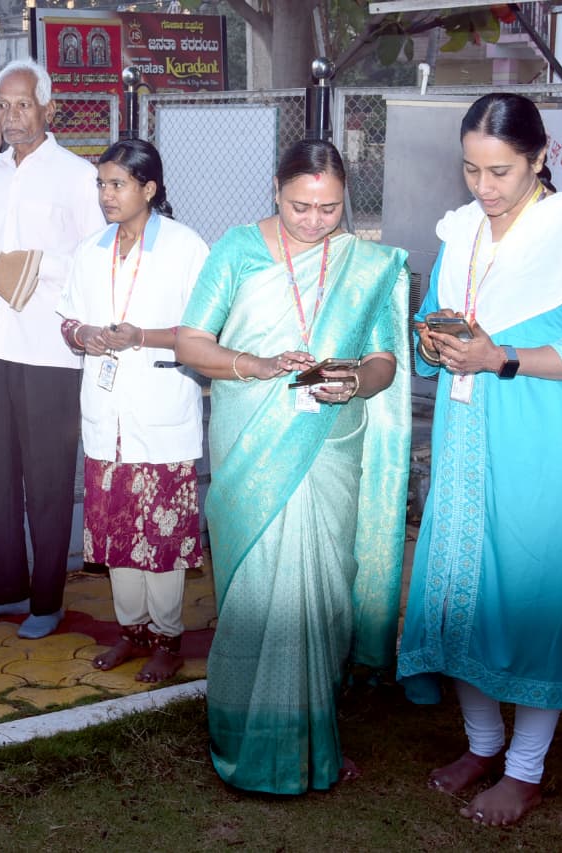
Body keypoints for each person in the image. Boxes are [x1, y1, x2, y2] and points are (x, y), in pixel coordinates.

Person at [397, 93, 562, 827]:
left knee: (536, 596)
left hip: (547, 438)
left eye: (500, 170)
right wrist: (433, 339)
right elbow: (436, 327)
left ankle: (525, 770)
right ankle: (482, 744)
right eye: (471, 169)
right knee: (461, 590)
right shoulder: (462, 230)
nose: (484, 186)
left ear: (537, 158)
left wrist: (499, 355)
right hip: (468, 436)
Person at [176, 139, 410, 795]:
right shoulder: (237, 250)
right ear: (276, 192)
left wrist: (355, 380)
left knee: (323, 590)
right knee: (258, 590)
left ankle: (313, 740)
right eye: (299, 206)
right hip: (251, 437)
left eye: (329, 208)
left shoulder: (366, 264)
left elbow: (385, 360)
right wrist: (254, 364)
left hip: (330, 442)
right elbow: (192, 342)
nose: (313, 220)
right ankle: (245, 739)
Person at [0, 58, 104, 639]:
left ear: (48, 109)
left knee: (48, 478)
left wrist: (32, 267)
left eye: (23, 105)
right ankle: (2, 591)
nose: (11, 117)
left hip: (49, 348)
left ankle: (47, 601)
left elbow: (95, 258)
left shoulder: (78, 175)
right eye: (2, 106)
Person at [56, 139, 207, 682]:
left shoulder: (186, 247)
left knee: (161, 534)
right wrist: (85, 334)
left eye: (117, 184)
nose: (106, 195)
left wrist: (142, 336)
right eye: (101, 184)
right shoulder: (91, 249)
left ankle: (167, 637)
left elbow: (204, 329)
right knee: (118, 530)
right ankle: (131, 630)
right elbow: (67, 320)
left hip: (160, 409)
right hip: (107, 415)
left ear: (149, 188)